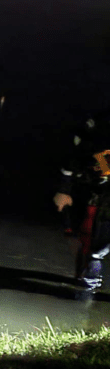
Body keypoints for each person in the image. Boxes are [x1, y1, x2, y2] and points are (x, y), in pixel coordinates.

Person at [53, 108, 110, 301]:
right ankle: (87, 279)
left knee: (96, 246)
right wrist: (64, 189)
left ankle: (88, 280)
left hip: (99, 195)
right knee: (90, 242)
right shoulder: (97, 130)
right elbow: (77, 159)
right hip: (94, 197)